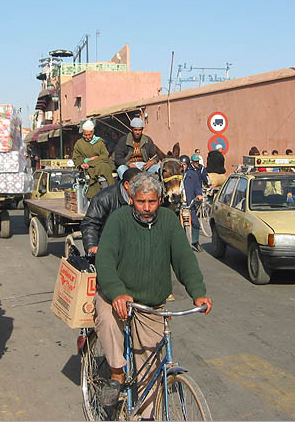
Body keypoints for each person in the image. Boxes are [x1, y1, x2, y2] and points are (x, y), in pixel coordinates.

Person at [93, 172, 212, 417]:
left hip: (151, 304)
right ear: (131, 199)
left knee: (150, 373)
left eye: (152, 202)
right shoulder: (118, 220)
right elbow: (104, 261)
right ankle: (116, 372)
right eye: (141, 202)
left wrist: (198, 293)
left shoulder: (168, 221)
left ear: (160, 199)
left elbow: (184, 260)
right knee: (107, 320)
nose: (147, 208)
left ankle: (146, 415)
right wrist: (117, 293)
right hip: (117, 297)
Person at [81, 168, 141, 255]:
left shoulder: (146, 199)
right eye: (138, 186)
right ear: (127, 185)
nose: (143, 189)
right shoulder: (104, 198)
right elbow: (90, 223)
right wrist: (92, 245)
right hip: (110, 245)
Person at [72, 120, 115, 199]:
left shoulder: (99, 142)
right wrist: (82, 163)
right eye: (85, 135)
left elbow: (105, 156)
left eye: (89, 135)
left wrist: (92, 161)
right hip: (86, 169)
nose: (88, 137)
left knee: (104, 167)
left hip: (99, 165)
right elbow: (76, 158)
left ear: (93, 132)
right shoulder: (79, 143)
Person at [181, 155, 205, 252]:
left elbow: (197, 186)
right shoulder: (176, 175)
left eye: (184, 165)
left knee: (195, 222)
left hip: (190, 202)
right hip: (179, 203)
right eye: (181, 165)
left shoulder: (192, 174)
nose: (182, 167)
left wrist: (199, 195)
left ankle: (195, 241)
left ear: (187, 164)